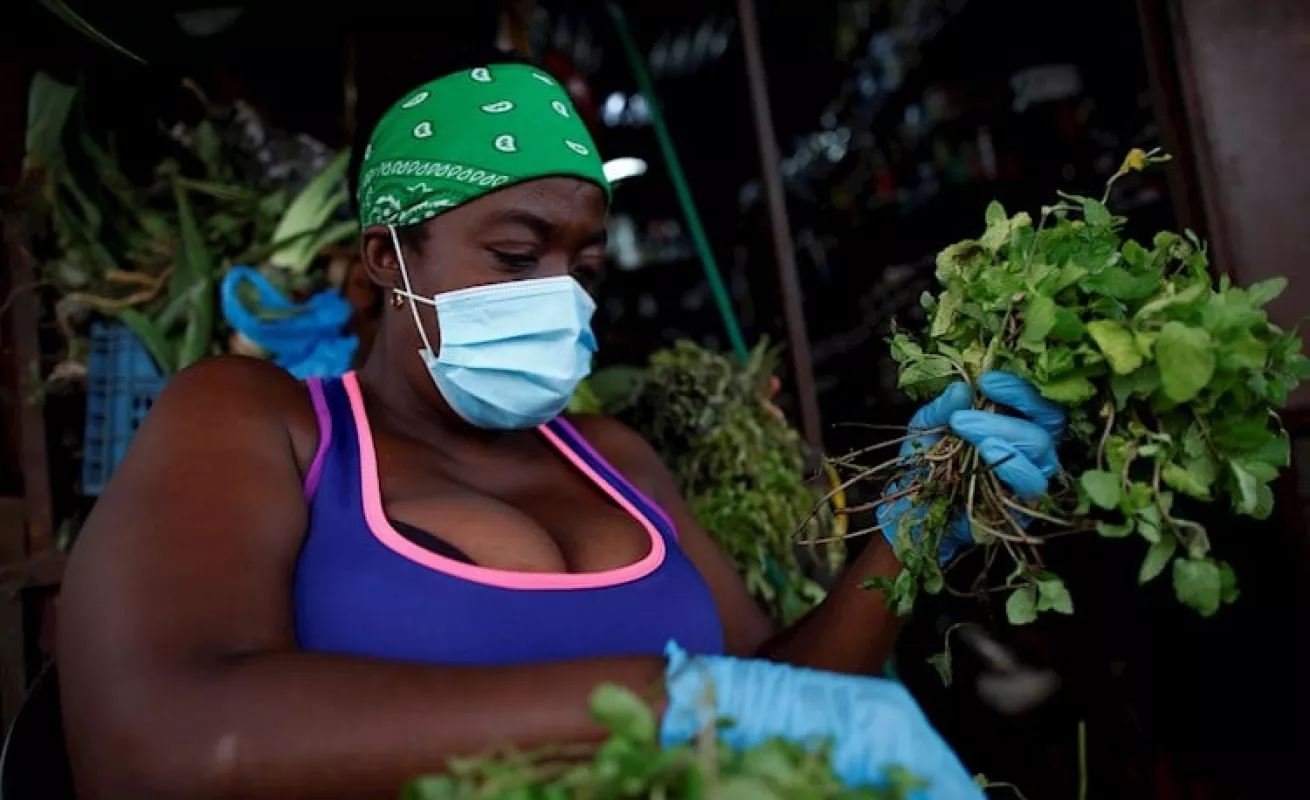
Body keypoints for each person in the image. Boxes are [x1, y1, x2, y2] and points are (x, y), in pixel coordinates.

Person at [56, 48, 1064, 799]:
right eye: (512, 254)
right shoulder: (262, 422)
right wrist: (668, 704)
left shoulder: (611, 456)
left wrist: (906, 528)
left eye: (582, 266)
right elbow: (154, 736)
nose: (560, 293)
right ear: (384, 257)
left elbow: (780, 699)